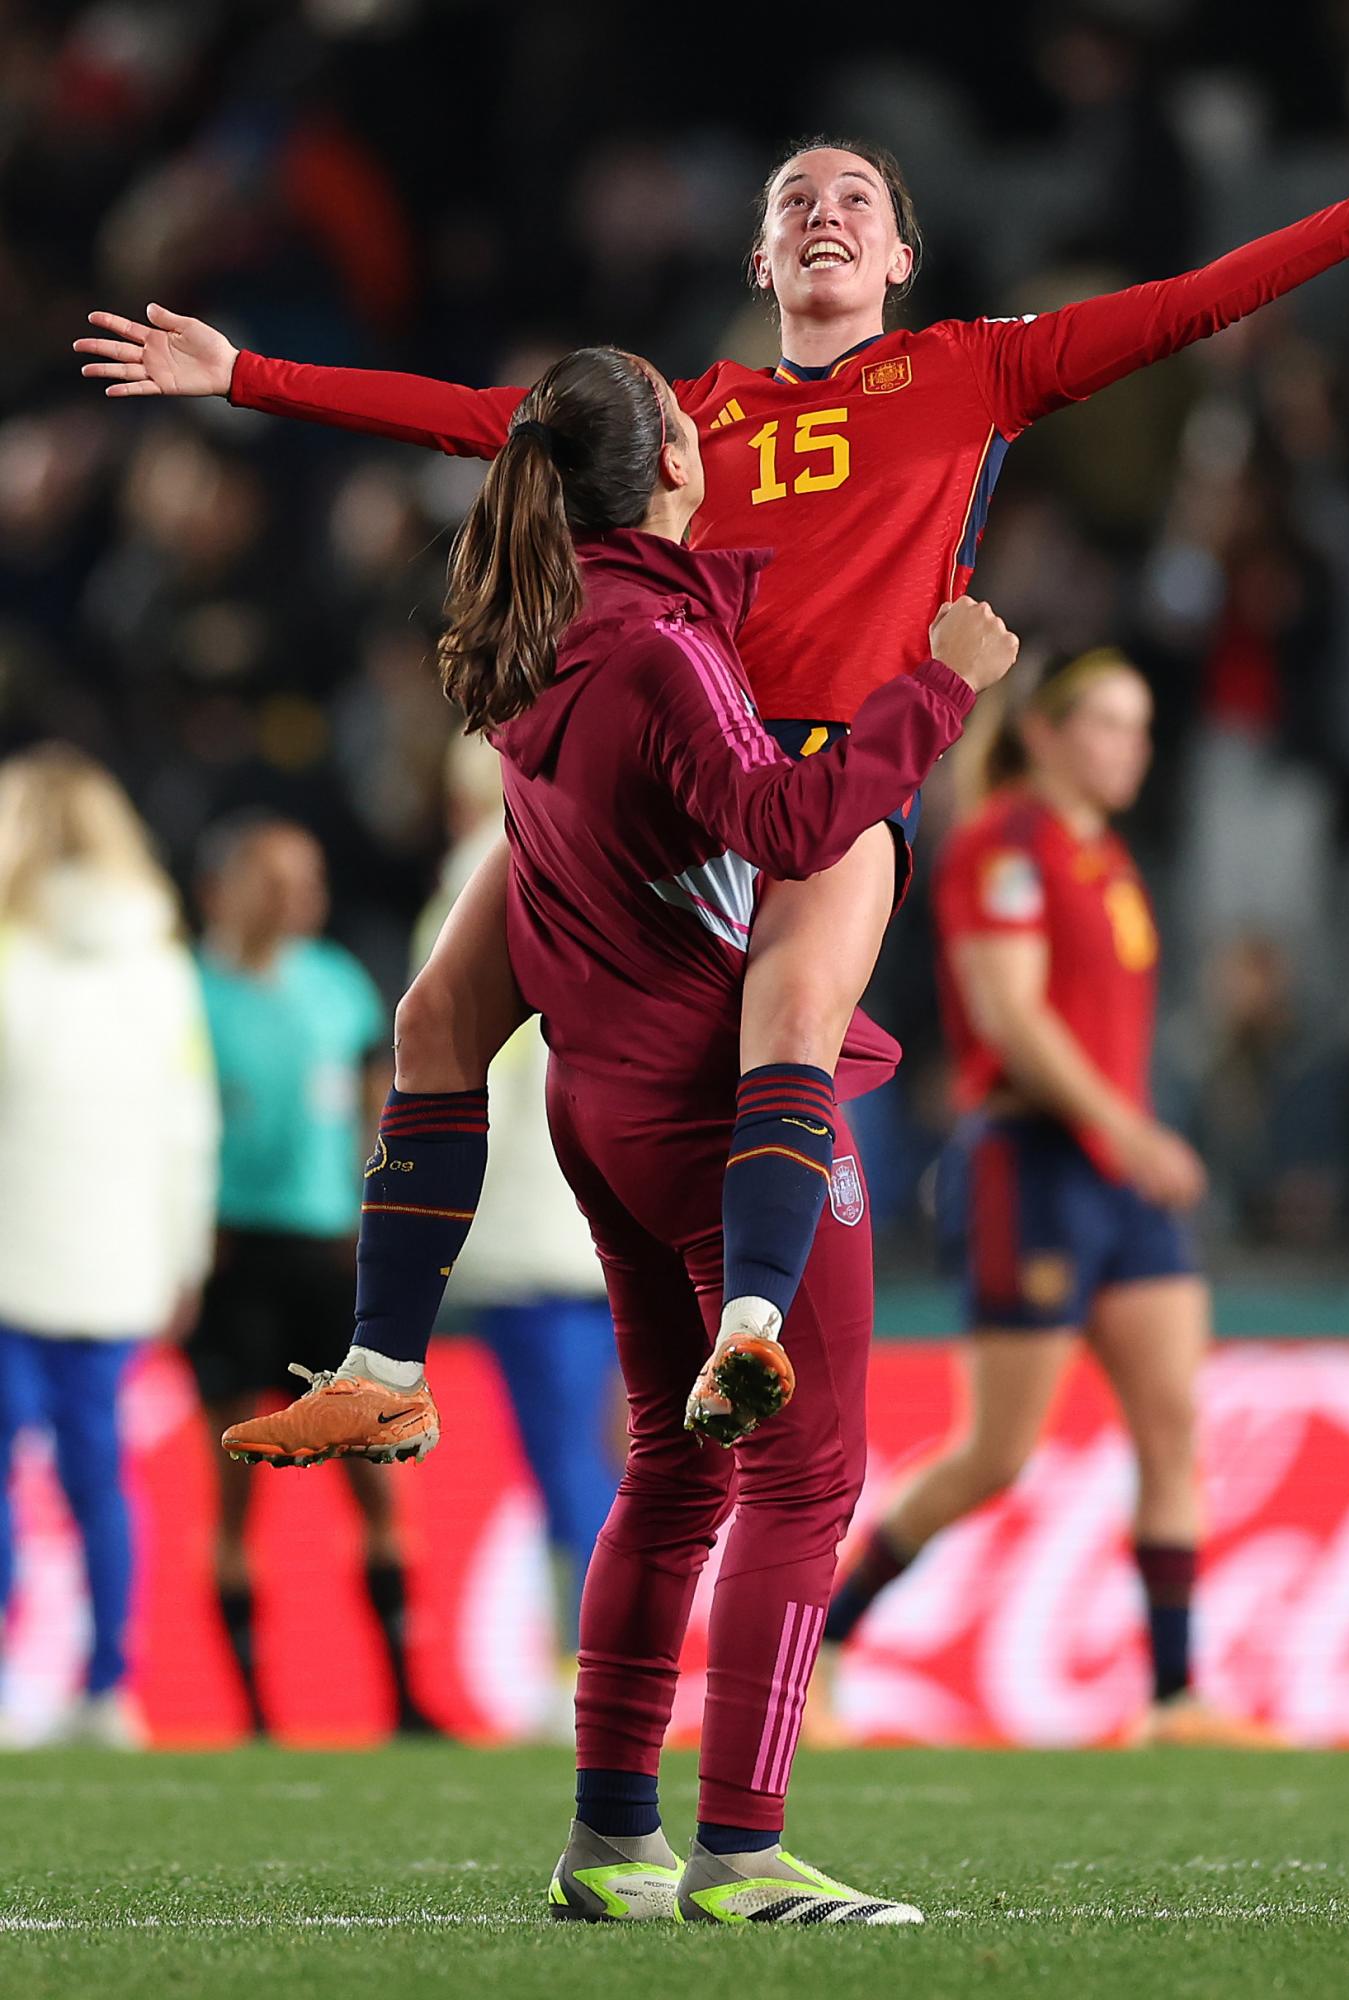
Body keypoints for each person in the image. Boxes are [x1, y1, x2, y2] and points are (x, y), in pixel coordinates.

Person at [75, 83, 1349, 1466]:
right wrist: (247, 377)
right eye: (795, 199)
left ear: (901, 250)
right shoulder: (690, 410)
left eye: (855, 198)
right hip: (659, 772)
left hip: (826, 781)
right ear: (760, 254)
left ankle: (751, 1328)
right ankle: (386, 1375)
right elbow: (487, 417)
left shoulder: (978, 368)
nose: (824, 212)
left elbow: (1190, 305)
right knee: (436, 1014)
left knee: (793, 1011)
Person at [236, 342, 1007, 1915]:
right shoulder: (656, 649)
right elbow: (790, 822)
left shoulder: (546, 640)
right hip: (720, 1113)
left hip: (595, 1108)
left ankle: (610, 1842)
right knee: (806, 1481)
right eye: (682, 409)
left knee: (671, 1477)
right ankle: (741, 1850)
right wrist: (942, 684)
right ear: (666, 460)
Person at [821, 651, 1271, 1748]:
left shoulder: (1097, 852)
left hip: (1119, 1176)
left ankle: (1173, 1698)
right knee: (997, 1453)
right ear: (1049, 733)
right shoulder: (1006, 846)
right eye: (1112, 723)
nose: (1134, 746)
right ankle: (818, 1648)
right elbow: (1011, 1016)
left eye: (1141, 725)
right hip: (1033, 1163)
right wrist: (1127, 1127)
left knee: (1171, 1427)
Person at [188, 814, 440, 1737]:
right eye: (281, 878)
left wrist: (374, 1210)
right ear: (231, 888)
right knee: (235, 1476)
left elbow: (379, 1106)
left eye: (311, 877)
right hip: (231, 1252)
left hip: (327, 1251)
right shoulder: (191, 993)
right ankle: (253, 1712)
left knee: (373, 1469)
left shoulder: (337, 985)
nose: (304, 895)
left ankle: (405, 1697)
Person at [0, 746, 218, 1749]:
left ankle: (11, 1672)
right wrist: (182, 1252)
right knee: (99, 1472)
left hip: (14, 1248)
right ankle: (108, 1683)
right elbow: (189, 1119)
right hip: (117, 1253)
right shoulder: (159, 958)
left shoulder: (8, 949)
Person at [423, 733, 621, 1738]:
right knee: (618, 1459)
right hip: (617, 1203)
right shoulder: (609, 856)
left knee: (566, 1463)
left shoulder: (479, 872)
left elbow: (449, 1057)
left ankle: (588, 1674)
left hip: (529, 1220)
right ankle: (623, 1665)